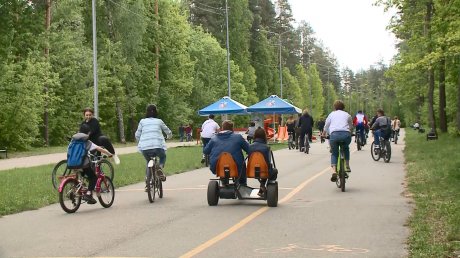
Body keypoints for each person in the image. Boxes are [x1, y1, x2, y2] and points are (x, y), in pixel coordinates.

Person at [73, 124, 114, 204]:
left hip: (72, 163)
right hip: (83, 164)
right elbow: (99, 148)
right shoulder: (87, 141)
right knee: (93, 177)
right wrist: (109, 154)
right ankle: (88, 194)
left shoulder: (73, 140)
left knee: (84, 177)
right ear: (88, 133)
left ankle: (80, 191)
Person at [135, 104, 172, 189]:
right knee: (163, 157)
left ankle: (148, 183)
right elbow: (168, 132)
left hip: (145, 147)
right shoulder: (159, 121)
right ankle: (160, 167)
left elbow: (137, 134)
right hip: (157, 146)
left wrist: (140, 142)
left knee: (148, 162)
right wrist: (168, 137)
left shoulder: (142, 121)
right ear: (156, 112)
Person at [203, 120, 250, 185]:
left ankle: (224, 182)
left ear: (222, 128)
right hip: (237, 167)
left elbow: (205, 151)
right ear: (232, 128)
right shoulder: (238, 137)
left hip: (217, 166)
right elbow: (249, 149)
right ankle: (242, 184)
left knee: (222, 166)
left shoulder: (214, 138)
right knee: (242, 167)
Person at [322, 100, 353, 182]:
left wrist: (323, 134)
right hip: (345, 135)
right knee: (346, 148)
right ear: (343, 107)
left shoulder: (331, 114)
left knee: (334, 153)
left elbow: (326, 125)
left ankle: (334, 171)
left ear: (334, 107)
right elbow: (351, 126)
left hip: (334, 135)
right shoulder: (347, 115)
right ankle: (347, 165)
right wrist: (351, 133)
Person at [248, 127, 276, 196]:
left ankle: (262, 187)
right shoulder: (266, 148)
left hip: (251, 170)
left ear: (255, 136)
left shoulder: (249, 147)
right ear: (264, 136)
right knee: (274, 171)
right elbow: (268, 162)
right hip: (264, 171)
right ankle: (264, 185)